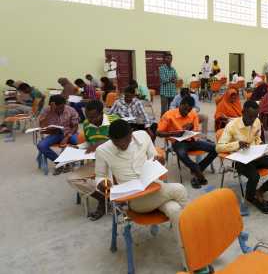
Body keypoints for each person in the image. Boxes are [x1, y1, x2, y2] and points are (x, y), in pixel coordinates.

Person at [95, 120, 188, 248]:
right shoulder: (102, 150)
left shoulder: (143, 136)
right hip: (135, 200)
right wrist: (103, 184)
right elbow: (100, 177)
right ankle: (192, 235)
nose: (123, 145)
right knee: (179, 189)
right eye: (118, 143)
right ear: (110, 139)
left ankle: (188, 253)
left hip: (155, 187)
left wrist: (160, 160)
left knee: (175, 209)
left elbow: (155, 159)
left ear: (131, 134)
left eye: (126, 140)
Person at [216, 100, 268, 214]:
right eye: (250, 116)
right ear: (243, 112)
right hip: (240, 160)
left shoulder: (256, 121)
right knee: (254, 176)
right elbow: (219, 147)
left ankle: (260, 191)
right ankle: (250, 197)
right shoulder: (232, 126)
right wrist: (237, 144)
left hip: (255, 155)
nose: (253, 120)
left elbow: (256, 137)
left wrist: (260, 144)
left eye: (255, 116)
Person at [66, 100, 120, 221]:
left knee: (110, 180)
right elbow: (89, 142)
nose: (89, 120)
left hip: (116, 160)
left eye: (93, 117)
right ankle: (102, 198)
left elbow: (124, 139)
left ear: (102, 113)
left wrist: (101, 143)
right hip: (97, 162)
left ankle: (115, 201)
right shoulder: (86, 124)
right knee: (72, 179)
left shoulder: (114, 120)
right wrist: (78, 147)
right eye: (87, 117)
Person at [157, 96, 217, 189]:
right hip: (178, 142)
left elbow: (196, 130)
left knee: (216, 148)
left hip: (192, 140)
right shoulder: (169, 115)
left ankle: (197, 169)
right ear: (181, 104)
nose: (186, 113)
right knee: (181, 153)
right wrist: (173, 133)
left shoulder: (192, 114)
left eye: (189, 110)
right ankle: (195, 168)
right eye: (185, 109)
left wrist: (191, 127)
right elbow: (158, 133)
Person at [37, 95, 79, 175]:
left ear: (64, 104)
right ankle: (60, 162)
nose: (60, 110)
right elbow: (42, 125)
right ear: (51, 106)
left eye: (62, 108)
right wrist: (50, 112)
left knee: (79, 142)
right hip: (54, 134)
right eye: (57, 108)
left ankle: (70, 161)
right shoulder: (46, 110)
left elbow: (75, 126)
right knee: (41, 145)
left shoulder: (70, 110)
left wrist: (67, 137)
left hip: (69, 132)